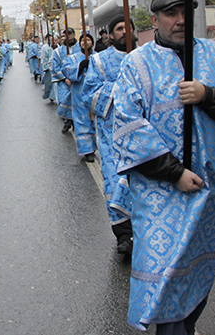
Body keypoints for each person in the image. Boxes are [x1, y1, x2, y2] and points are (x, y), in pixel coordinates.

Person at [111, 0, 215, 333]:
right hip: (160, 191)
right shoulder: (137, 64)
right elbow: (127, 127)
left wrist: (209, 94)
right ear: (154, 20)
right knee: (164, 271)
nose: (180, 21)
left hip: (211, 191)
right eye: (171, 14)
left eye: (186, 12)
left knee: (197, 272)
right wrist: (174, 172)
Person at [81, 13, 137, 254]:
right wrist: (120, 89)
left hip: (144, 134)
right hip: (112, 134)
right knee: (115, 182)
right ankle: (123, 235)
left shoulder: (147, 57)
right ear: (111, 34)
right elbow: (89, 92)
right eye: (119, 28)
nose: (125, 32)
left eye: (129, 28)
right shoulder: (100, 61)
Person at [61, 33, 97, 162]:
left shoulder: (98, 57)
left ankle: (97, 145)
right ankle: (88, 150)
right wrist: (80, 66)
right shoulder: (73, 58)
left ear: (92, 42)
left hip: (96, 94)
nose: (85, 42)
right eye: (83, 40)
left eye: (88, 39)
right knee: (82, 121)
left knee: (97, 122)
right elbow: (65, 69)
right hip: (79, 94)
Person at [52, 28, 80, 134]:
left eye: (70, 34)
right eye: (66, 34)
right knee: (64, 100)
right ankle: (67, 121)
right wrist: (65, 79)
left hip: (78, 81)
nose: (68, 36)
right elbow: (55, 67)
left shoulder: (81, 49)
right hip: (64, 81)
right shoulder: (58, 51)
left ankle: (77, 122)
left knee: (78, 102)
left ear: (74, 34)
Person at [41, 35, 57, 102]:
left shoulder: (60, 49)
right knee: (50, 84)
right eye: (52, 41)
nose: (54, 42)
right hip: (50, 69)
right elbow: (45, 59)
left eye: (56, 40)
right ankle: (50, 96)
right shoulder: (48, 50)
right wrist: (47, 67)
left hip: (57, 69)